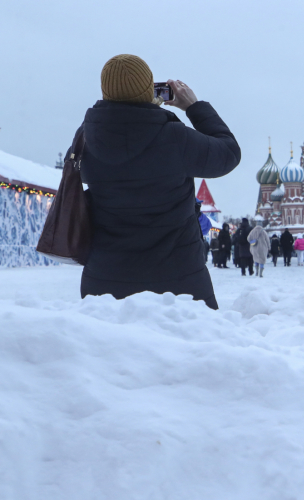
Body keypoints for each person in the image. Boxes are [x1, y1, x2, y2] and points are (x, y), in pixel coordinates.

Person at [78, 55, 240, 310]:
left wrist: (107, 115)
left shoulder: (86, 139)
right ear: (149, 91)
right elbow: (229, 154)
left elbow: (79, 171)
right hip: (179, 283)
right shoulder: (174, 139)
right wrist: (194, 107)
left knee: (107, 349)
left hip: (105, 283)